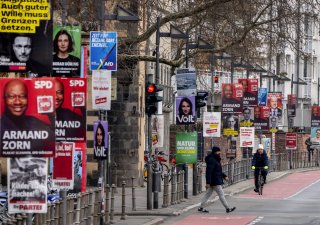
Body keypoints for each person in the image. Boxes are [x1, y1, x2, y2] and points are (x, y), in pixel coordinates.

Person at [0, 79, 55, 156]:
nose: (17, 102)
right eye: (12, 97)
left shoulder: (33, 122)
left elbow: (55, 138)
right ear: (4, 99)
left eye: (22, 96)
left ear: (27, 99)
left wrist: (51, 116)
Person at [198, 146, 236, 213]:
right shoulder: (212, 160)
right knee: (221, 194)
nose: (220, 153)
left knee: (207, 194)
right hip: (215, 180)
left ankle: (201, 207)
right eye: (219, 151)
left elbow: (218, 170)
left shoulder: (215, 159)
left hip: (214, 180)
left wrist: (224, 176)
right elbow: (209, 172)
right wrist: (208, 183)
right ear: (216, 152)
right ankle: (227, 208)